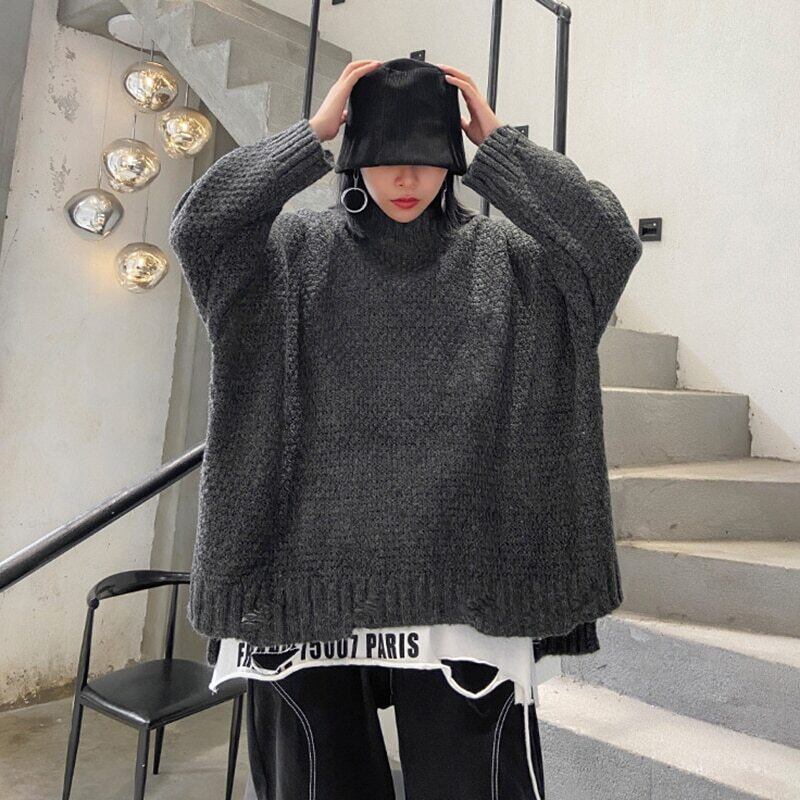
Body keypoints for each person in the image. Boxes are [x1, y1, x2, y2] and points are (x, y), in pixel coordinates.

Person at [169, 56, 642, 800]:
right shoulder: (287, 257)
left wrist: (502, 146)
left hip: (469, 583)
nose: (405, 177)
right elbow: (200, 227)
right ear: (354, 154)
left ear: (451, 159)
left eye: (426, 156)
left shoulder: (509, 264)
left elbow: (609, 245)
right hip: (300, 582)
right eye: (384, 154)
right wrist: (311, 134)